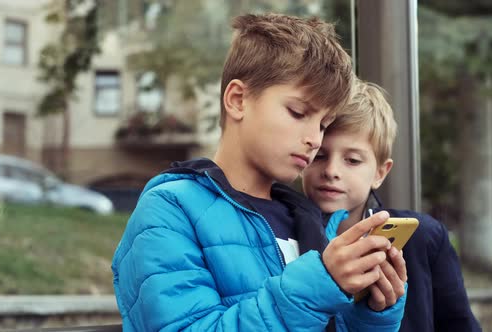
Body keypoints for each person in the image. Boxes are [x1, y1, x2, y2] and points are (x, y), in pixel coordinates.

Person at [111, 13, 407, 332]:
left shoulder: (308, 217)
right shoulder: (170, 210)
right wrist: (315, 289)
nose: (314, 138)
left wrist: (372, 313)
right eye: (298, 112)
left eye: (323, 124)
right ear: (238, 100)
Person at [302, 79, 482, 332]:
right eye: (320, 156)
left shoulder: (424, 238)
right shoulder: (283, 238)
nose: (332, 171)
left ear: (380, 172)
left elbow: (460, 325)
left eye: (352, 160)